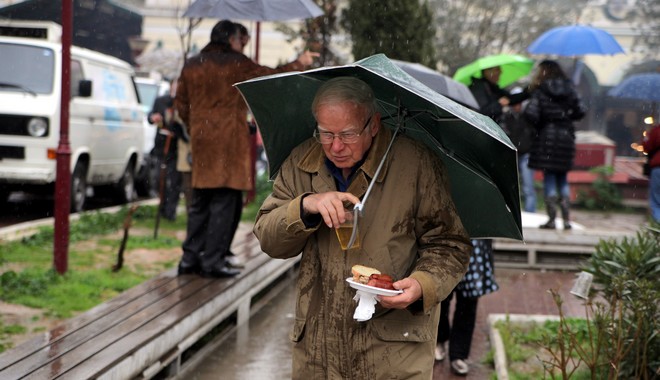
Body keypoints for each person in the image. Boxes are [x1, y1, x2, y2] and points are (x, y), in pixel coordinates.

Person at [253, 77, 472, 379]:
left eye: (348, 134)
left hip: (391, 353)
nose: (336, 146)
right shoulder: (302, 162)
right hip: (318, 350)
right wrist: (305, 206)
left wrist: (423, 284)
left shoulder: (416, 164)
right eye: (326, 134)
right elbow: (268, 237)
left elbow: (450, 244)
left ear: (373, 125)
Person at [174, 20, 318, 278]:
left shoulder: (192, 64)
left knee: (200, 202)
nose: (245, 43)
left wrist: (197, 127)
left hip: (202, 142)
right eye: (243, 38)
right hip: (229, 143)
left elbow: (181, 104)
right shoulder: (236, 63)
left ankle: (190, 258)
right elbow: (271, 77)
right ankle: (213, 261)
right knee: (225, 202)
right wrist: (300, 62)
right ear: (231, 38)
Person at [524, 60, 586, 230]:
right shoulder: (570, 89)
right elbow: (581, 110)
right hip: (566, 137)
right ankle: (566, 219)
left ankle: (552, 219)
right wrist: (566, 117)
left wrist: (541, 124)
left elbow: (530, 113)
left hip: (546, 138)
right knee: (563, 178)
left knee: (550, 177)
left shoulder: (541, 90)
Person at [435, 239, 498, 375]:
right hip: (446, 247)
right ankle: (439, 339)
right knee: (441, 300)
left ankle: (459, 354)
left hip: (475, 251)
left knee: (468, 305)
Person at [148, 80, 183, 221]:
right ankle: (162, 207)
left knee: (174, 182)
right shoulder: (161, 101)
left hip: (175, 148)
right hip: (161, 146)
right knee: (158, 179)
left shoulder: (183, 104)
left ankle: (170, 211)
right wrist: (153, 118)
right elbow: (150, 116)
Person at [500, 96, 537, 213]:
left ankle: (530, 211)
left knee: (528, 185)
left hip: (525, 153)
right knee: (511, 185)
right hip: (512, 153)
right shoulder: (507, 117)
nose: (517, 106)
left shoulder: (528, 117)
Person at [642, 123, 660, 222]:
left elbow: (646, 146)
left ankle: (658, 226)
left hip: (658, 168)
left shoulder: (656, 130)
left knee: (657, 202)